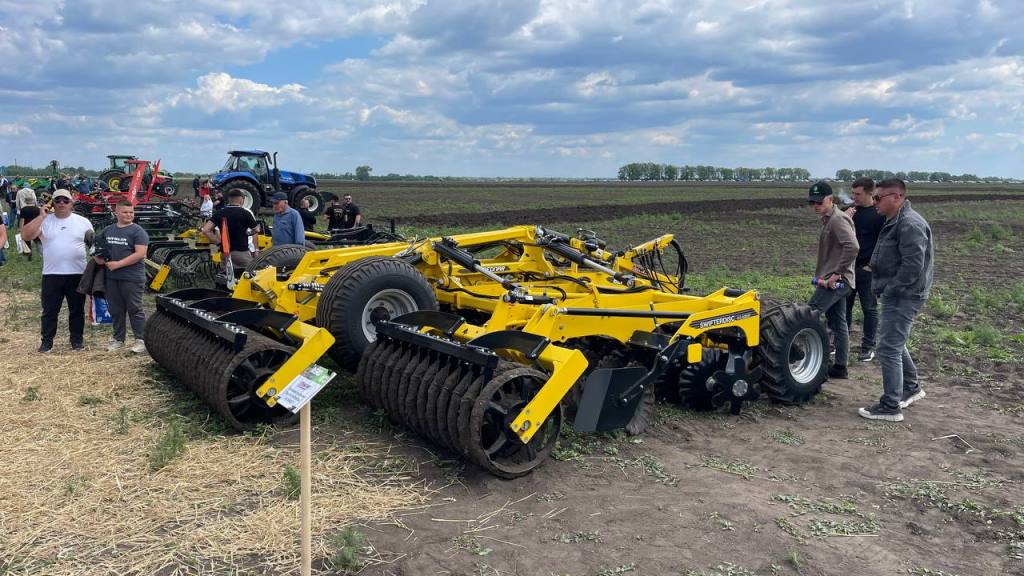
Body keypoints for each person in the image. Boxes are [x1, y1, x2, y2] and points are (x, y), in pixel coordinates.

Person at [858, 178, 933, 422]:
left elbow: (913, 266)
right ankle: (910, 387)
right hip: (898, 293)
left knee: (888, 348)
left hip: (904, 295)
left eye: (879, 198)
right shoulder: (895, 221)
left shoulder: (910, 224)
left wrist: (890, 288)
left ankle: (891, 405)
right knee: (894, 342)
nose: (875, 202)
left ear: (897, 197)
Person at [19, 189, 94, 352]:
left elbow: (93, 245)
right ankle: (47, 342)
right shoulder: (45, 221)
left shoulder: (83, 222)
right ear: (52, 203)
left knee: (77, 311)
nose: (61, 203)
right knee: (50, 311)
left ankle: (77, 341)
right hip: (52, 274)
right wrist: (41, 216)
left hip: (77, 273)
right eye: (57, 200)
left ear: (71, 203)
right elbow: (25, 236)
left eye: (65, 200)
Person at [806, 181, 858, 379]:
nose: (816, 206)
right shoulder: (830, 218)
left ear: (830, 199)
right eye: (812, 202)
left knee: (808, 315)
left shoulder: (837, 219)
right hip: (834, 279)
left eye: (819, 202)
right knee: (838, 323)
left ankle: (807, 360)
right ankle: (840, 367)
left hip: (836, 281)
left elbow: (852, 247)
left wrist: (837, 273)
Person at [96, 200, 149, 353]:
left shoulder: (138, 231)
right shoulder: (108, 230)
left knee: (135, 309)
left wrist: (118, 264)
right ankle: (118, 339)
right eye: (125, 212)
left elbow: (140, 254)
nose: (129, 215)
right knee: (116, 309)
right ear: (116, 212)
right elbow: (98, 248)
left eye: (131, 212)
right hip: (112, 277)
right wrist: (97, 257)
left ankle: (141, 339)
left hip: (132, 277)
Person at [844, 177, 886, 362]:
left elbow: (885, 242)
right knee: (844, 306)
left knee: (869, 308)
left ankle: (868, 347)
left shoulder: (879, 214)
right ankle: (840, 343)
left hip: (867, 270)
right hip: (848, 268)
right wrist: (846, 220)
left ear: (871, 193)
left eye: (858, 194)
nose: (854, 197)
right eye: (852, 193)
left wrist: (874, 266)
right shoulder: (850, 212)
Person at [202, 189, 260, 270]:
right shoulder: (245, 213)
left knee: (227, 278)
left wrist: (218, 243)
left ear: (229, 199)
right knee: (247, 277)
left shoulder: (219, 213)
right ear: (241, 200)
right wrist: (247, 233)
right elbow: (256, 229)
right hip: (242, 252)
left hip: (225, 253)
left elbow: (205, 230)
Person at [18, 196, 41, 261]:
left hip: (26, 228)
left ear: (26, 202)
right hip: (36, 227)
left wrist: (21, 229)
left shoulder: (23, 209)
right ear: (33, 201)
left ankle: (29, 255)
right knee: (38, 241)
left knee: (27, 242)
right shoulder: (38, 209)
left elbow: (22, 220)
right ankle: (41, 254)